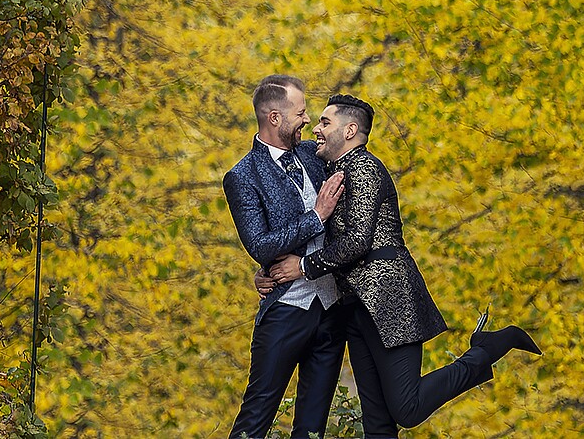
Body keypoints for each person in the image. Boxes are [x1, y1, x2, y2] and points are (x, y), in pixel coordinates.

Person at [260, 94, 540, 437]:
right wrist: (269, 269)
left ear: (350, 131)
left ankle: (485, 350)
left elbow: (358, 242)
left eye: (324, 122)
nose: (316, 129)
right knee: (377, 423)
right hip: (356, 306)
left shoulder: (364, 168)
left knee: (407, 408)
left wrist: (302, 267)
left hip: (390, 298)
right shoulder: (334, 172)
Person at [221, 75, 348, 439]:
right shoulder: (242, 177)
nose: (307, 121)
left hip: (331, 308)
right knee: (255, 419)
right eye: (301, 113)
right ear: (274, 118)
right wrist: (316, 217)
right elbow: (260, 246)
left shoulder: (313, 155)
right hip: (284, 312)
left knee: (312, 429)